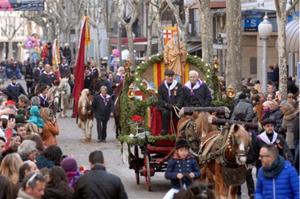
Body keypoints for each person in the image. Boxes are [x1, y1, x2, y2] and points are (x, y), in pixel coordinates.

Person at [158, 70, 183, 135]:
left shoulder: (178, 85)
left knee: (179, 114)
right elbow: (160, 100)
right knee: (165, 113)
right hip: (165, 106)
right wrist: (167, 105)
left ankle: (180, 132)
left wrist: (177, 105)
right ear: (165, 77)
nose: (170, 78)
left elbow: (181, 97)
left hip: (176, 106)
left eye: (172, 76)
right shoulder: (161, 86)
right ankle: (164, 130)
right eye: (168, 76)